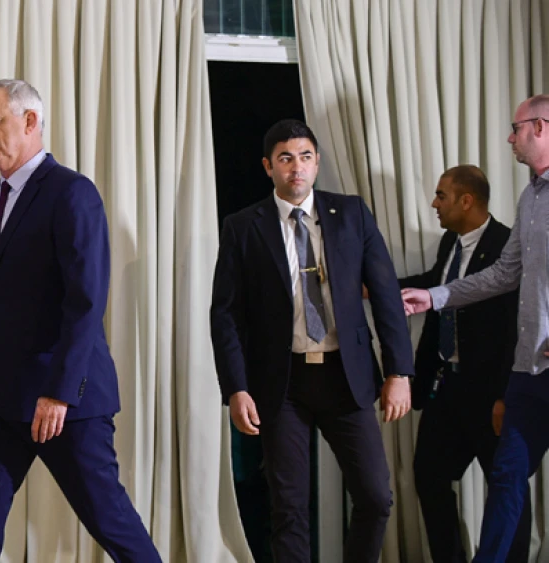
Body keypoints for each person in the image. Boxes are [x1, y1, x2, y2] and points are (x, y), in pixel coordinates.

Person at [0, 79, 161, 563]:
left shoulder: (72, 193)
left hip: (66, 402)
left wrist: (60, 392)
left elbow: (86, 300)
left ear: (30, 122)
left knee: (112, 524)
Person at [210, 119, 414, 563]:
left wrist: (399, 371)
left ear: (317, 162)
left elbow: (384, 296)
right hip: (281, 386)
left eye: (304, 157)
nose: (296, 168)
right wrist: (236, 388)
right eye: (285, 159)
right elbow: (224, 314)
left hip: (348, 378)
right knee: (289, 509)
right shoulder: (244, 226)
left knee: (377, 497)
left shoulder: (352, 214)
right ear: (268, 166)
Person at [402, 94, 549, 563]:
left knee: (505, 482)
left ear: (541, 127)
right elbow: (504, 275)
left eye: (516, 127)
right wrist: (434, 296)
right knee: (507, 480)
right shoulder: (530, 197)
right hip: (527, 374)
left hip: (509, 379)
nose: (510, 137)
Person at [399, 165, 525, 563]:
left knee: (505, 486)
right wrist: (381, 289)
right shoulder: (449, 243)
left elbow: (513, 331)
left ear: (466, 200)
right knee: (429, 475)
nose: (435, 204)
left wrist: (506, 396)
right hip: (447, 386)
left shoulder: (508, 245)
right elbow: (437, 285)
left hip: (491, 393)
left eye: (441, 195)